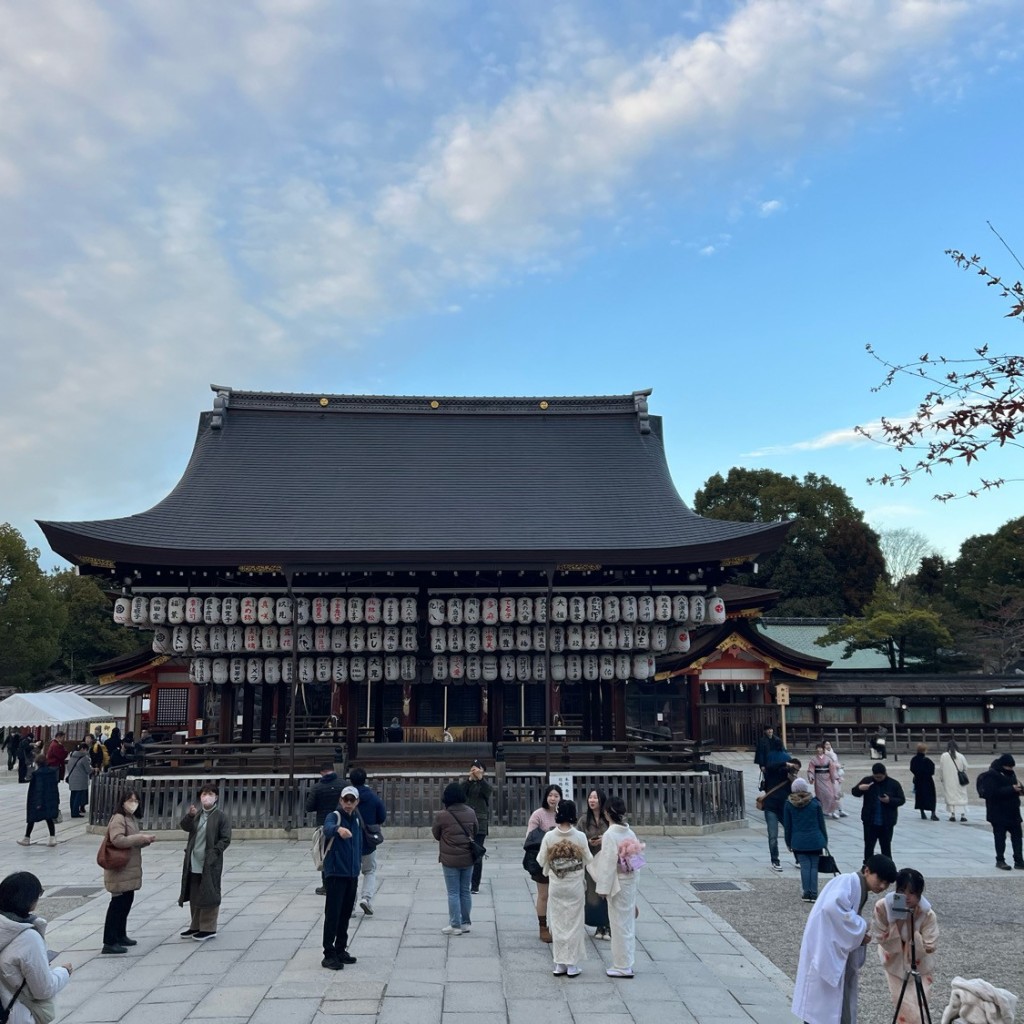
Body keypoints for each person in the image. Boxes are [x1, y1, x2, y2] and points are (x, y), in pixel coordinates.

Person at [792, 853, 898, 1024]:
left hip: (828, 949)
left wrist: (858, 932)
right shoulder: (847, 881)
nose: (882, 885)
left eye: (887, 884)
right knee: (821, 1008)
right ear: (867, 871)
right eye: (881, 879)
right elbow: (832, 909)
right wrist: (861, 928)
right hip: (824, 951)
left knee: (826, 1007)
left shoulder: (855, 885)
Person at [0, 871, 73, 1024]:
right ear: (29, 901)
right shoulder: (28, 938)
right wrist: (64, 972)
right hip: (17, 1014)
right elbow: (43, 989)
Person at [871, 867, 939, 1024]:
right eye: (902, 891)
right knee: (905, 1007)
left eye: (912, 892)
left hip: (920, 965)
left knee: (920, 1007)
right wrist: (899, 920)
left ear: (919, 893)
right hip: (894, 962)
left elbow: (930, 944)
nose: (906, 897)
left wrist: (913, 931)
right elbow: (880, 935)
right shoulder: (883, 907)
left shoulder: (927, 913)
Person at [536, 799, 592, 977]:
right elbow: (588, 859)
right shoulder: (580, 836)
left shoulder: (550, 836)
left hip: (557, 884)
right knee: (574, 923)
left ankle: (560, 963)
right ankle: (572, 964)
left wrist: (553, 867)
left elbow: (541, 860)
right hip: (574, 884)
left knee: (558, 922)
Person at [589, 795, 640, 978]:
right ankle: (628, 961)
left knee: (618, 925)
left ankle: (622, 965)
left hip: (617, 882)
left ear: (608, 813)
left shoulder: (611, 834)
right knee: (627, 924)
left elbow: (608, 863)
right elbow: (636, 861)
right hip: (629, 880)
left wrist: (603, 888)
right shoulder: (629, 832)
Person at [100, 788, 156, 954]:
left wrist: (144, 841)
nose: (133, 803)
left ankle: (120, 934)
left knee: (126, 902)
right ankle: (109, 941)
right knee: (117, 904)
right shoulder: (118, 818)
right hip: (119, 868)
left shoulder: (130, 818)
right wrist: (139, 838)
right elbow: (117, 840)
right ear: (122, 801)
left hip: (127, 867)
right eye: (130, 800)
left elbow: (130, 840)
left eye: (135, 800)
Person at [177, 784, 232, 941]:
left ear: (216, 797)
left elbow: (225, 838)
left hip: (210, 861)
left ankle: (208, 927)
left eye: (209, 794)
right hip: (194, 859)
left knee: (209, 892)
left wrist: (214, 853)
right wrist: (189, 815)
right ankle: (195, 925)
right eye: (203, 794)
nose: (206, 797)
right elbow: (185, 827)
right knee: (194, 894)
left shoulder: (220, 816)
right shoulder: (198, 814)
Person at [320, 786, 363, 970]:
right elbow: (327, 828)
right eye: (345, 800)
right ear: (340, 800)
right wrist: (338, 830)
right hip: (336, 873)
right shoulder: (335, 816)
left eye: (351, 800)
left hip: (352, 873)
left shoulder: (356, 819)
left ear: (356, 802)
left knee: (345, 914)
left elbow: (360, 842)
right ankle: (328, 953)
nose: (348, 804)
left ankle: (340, 949)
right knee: (333, 914)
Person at [431, 782, 477, 936]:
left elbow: (436, 834)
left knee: (453, 892)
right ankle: (465, 922)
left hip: (449, 859)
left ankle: (455, 924)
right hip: (468, 857)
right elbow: (475, 831)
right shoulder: (471, 812)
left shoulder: (442, 815)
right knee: (465, 890)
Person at [526, 784, 562, 943]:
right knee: (544, 895)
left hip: (561, 861)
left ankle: (558, 925)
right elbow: (530, 837)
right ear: (545, 797)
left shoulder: (563, 813)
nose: (553, 798)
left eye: (556, 795)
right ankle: (543, 926)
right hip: (541, 861)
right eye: (550, 795)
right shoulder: (538, 814)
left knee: (558, 895)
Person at [348, 767, 386, 916]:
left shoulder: (347, 798)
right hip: (368, 841)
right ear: (365, 779)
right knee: (369, 870)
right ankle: (366, 898)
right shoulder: (373, 797)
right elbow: (381, 816)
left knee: (352, 873)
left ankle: (350, 905)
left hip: (350, 840)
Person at [851, 762, 905, 866]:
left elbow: (901, 800)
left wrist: (889, 800)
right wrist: (859, 788)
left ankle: (888, 867)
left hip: (887, 822)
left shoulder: (893, 784)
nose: (878, 779)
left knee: (886, 846)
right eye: (876, 777)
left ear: (885, 774)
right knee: (869, 846)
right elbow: (854, 792)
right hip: (870, 821)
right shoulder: (868, 781)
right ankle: (867, 866)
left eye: (880, 777)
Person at [784, 778, 828, 903]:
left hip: (798, 840)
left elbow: (788, 826)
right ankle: (814, 893)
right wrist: (825, 840)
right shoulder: (815, 803)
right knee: (814, 866)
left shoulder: (789, 804)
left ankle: (806, 892)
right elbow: (821, 824)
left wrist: (788, 842)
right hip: (815, 839)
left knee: (804, 866)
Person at [977, 753, 1023, 871]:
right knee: (1000, 838)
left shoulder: (1011, 774)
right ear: (1003, 765)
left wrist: (1020, 790)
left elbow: (1015, 786)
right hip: (998, 812)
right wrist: (1011, 789)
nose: (1011, 769)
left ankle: (1019, 860)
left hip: (1013, 812)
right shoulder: (992, 775)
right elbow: (992, 793)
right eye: (1009, 767)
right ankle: (1000, 860)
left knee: (1017, 836)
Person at [305, 762, 345, 895]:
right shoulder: (344, 784)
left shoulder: (318, 787)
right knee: (342, 853)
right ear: (333, 770)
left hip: (324, 824)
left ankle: (326, 885)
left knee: (325, 854)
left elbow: (309, 807)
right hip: (342, 823)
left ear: (321, 772)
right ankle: (342, 881)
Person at [759, 745, 800, 873]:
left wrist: (793, 779)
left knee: (792, 833)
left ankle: (798, 858)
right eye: (794, 768)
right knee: (773, 835)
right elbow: (769, 768)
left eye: (797, 770)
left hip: (784, 808)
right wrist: (785, 764)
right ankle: (775, 860)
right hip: (770, 807)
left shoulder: (792, 780)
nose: (795, 771)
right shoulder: (775, 772)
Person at [578, 789, 610, 939]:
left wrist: (606, 839)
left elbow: (617, 832)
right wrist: (588, 841)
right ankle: (599, 925)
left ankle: (608, 925)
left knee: (608, 892)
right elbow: (578, 837)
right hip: (591, 861)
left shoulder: (609, 818)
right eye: (590, 797)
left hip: (607, 860)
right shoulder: (584, 820)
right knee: (593, 894)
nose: (592, 800)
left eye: (595, 798)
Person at [463, 759, 492, 894]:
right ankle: (465, 881)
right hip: (466, 822)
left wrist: (480, 779)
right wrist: (469, 780)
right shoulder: (467, 784)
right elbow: (461, 794)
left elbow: (488, 792)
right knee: (465, 853)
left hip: (480, 823)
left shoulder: (485, 785)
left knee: (477, 853)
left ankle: (475, 885)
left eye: (477, 768)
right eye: (473, 768)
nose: (474, 770)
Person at [17, 756, 59, 848]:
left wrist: (38, 802)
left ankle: (26, 838)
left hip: (39, 800)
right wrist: (57, 800)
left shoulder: (37, 774)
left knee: (32, 818)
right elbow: (55, 788)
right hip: (49, 799)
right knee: (49, 818)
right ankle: (52, 838)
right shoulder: (52, 773)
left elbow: (39, 788)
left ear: (37, 763)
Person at [938, 740, 970, 822]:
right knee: (961, 796)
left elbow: (941, 768)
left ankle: (952, 814)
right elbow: (965, 767)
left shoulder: (944, 756)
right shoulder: (961, 756)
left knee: (950, 796)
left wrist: (942, 778)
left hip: (948, 780)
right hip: (959, 780)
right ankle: (963, 815)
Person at [808, 744, 839, 819]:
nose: (819, 750)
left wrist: (834, 777)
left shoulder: (828, 759)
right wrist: (811, 776)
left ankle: (832, 811)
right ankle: (822, 811)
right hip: (818, 778)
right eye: (817, 749)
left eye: (820, 748)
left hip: (827, 778)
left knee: (830, 795)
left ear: (823, 749)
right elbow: (811, 769)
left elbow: (832, 769)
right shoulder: (813, 760)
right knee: (820, 795)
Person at [909, 744, 939, 821]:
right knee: (931, 796)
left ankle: (922, 812)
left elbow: (912, 769)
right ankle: (933, 813)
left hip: (918, 780)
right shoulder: (927, 761)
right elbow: (932, 771)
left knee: (920, 796)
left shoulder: (914, 759)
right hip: (928, 780)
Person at [66, 742, 93, 818]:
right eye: (86, 750)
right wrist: (93, 769)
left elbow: (68, 767)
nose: (87, 752)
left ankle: (73, 811)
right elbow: (88, 770)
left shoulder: (72, 756)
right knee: (78, 796)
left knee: (73, 795)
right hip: (80, 780)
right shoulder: (83, 758)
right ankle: (75, 813)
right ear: (83, 749)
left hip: (72, 779)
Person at [822, 740, 848, 817]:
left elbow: (836, 763)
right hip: (828, 776)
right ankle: (832, 811)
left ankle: (840, 810)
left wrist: (839, 766)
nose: (828, 746)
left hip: (836, 775)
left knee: (837, 794)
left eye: (829, 744)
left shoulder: (833, 754)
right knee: (831, 794)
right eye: (826, 744)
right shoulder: (823, 756)